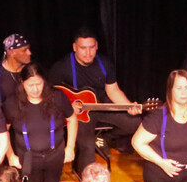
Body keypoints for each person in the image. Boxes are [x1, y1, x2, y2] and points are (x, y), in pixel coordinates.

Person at [49, 27, 141, 173]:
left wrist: (128, 106)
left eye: (91, 47)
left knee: (135, 124)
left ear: (97, 45)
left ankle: (107, 138)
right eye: (83, 48)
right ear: (74, 47)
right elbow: (50, 94)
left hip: (100, 105)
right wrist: (67, 106)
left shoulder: (104, 63)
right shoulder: (62, 67)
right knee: (87, 146)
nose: (88, 53)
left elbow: (113, 90)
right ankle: (88, 180)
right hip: (79, 114)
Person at [3, 63, 78, 182]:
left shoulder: (57, 97)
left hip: (54, 154)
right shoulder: (12, 103)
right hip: (28, 157)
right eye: (30, 85)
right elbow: (3, 131)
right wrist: (10, 155)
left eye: (39, 84)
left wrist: (70, 147)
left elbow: (72, 119)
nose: (35, 89)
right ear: (22, 84)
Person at [0, 33, 32, 108]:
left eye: (29, 49)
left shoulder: (31, 70)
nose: (29, 53)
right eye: (24, 50)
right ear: (11, 52)